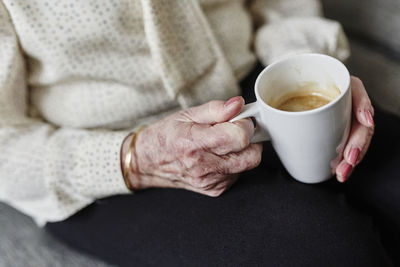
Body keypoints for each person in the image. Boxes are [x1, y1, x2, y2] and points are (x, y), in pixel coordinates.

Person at [0, 0, 397, 266]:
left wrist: (308, 66)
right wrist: (135, 159)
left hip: (253, 82)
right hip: (103, 155)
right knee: (328, 248)